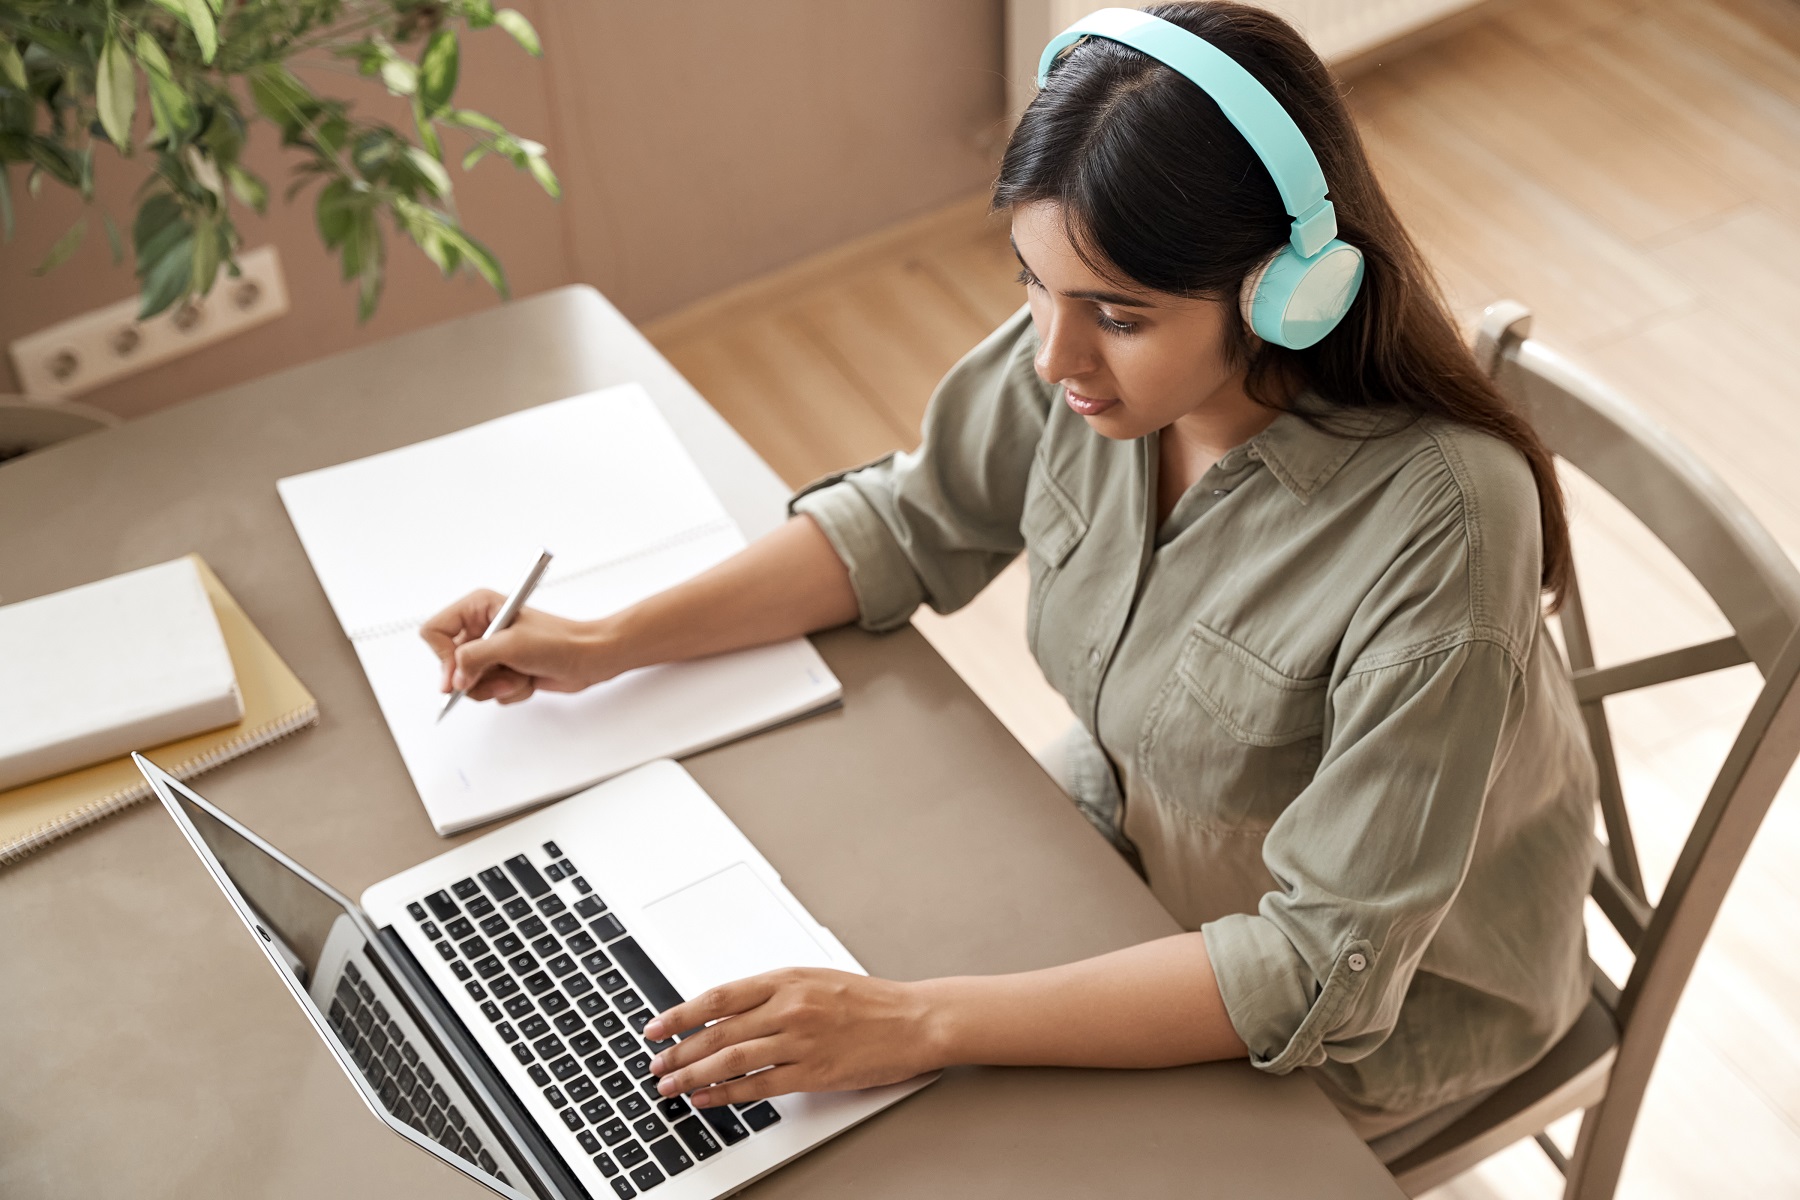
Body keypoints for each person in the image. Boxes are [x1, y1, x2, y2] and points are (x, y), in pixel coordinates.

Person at [420, 0, 1598, 1156]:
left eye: (1117, 316)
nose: (1052, 354)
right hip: (1141, 846)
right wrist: (609, 640)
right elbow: (911, 520)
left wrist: (921, 1021)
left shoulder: (1441, 528)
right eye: (1032, 282)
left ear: (1288, 294)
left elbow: (1314, 971)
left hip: (1372, 1021)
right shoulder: (1092, 366)